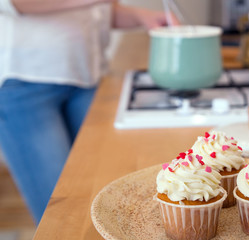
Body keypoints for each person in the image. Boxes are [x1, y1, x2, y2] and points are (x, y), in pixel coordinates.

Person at [0, 0, 174, 224]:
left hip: (87, 77)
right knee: (60, 218)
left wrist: (141, 17)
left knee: (96, 199)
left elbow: (95, 12)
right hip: (25, 81)